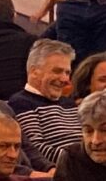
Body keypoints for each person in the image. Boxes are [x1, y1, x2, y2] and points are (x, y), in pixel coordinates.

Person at [9, 38, 84, 171]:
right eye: (57, 71)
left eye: (67, 73)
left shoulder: (69, 103)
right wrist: (85, 161)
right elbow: (36, 148)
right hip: (65, 173)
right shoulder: (20, 103)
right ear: (34, 72)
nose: (65, 79)